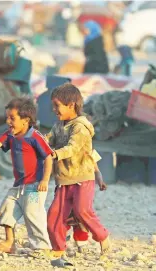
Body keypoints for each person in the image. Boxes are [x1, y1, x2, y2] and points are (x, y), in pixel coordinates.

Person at [0, 97, 53, 259]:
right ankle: (9, 242)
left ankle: (42, 247)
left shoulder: (35, 136)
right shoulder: (10, 135)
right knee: (6, 210)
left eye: (12, 118)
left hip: (35, 186)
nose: (8, 121)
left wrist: (45, 180)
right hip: (18, 185)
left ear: (26, 120)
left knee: (33, 214)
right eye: (7, 117)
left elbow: (48, 157)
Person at [46, 83, 110, 267]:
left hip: (82, 178)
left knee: (83, 211)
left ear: (71, 105)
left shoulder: (81, 127)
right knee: (54, 216)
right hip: (64, 179)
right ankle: (58, 251)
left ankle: (102, 236)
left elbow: (73, 148)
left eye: (57, 105)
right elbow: (48, 139)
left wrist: (56, 154)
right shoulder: (59, 125)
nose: (53, 109)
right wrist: (38, 141)